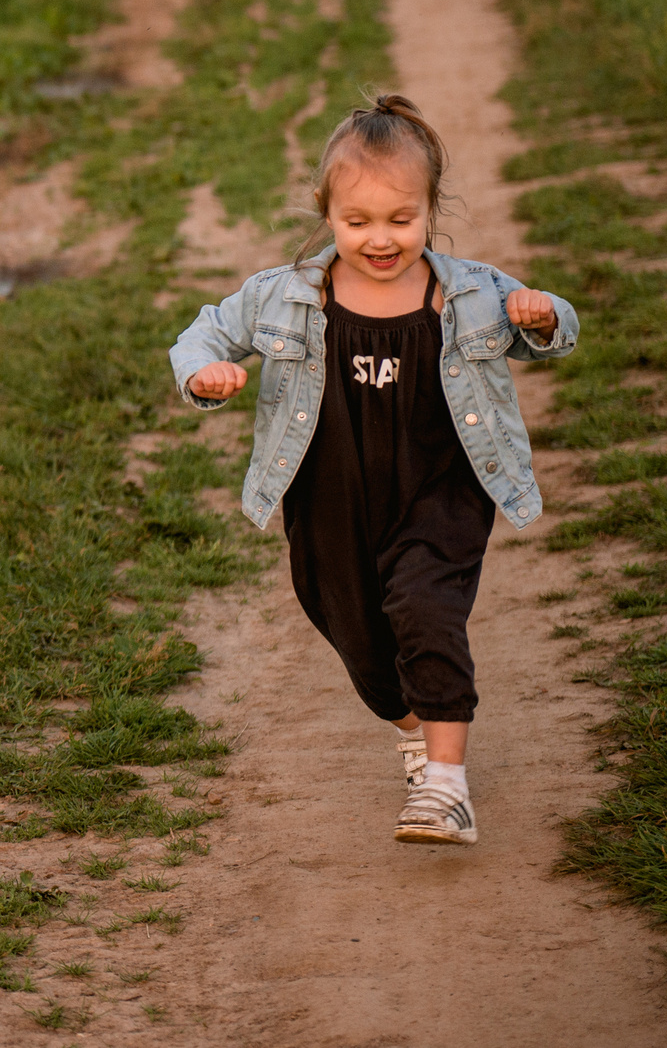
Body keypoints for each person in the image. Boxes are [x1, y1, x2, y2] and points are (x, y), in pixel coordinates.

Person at [167, 94, 577, 845]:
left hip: (439, 484)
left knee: (426, 608)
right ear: (326, 212)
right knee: (353, 630)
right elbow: (206, 331)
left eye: (401, 219)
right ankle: (418, 724)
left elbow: (552, 323)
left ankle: (447, 785)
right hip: (333, 494)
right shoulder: (287, 295)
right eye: (358, 222)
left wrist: (542, 314)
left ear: (429, 210)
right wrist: (204, 374)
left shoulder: (467, 291)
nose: (381, 239)